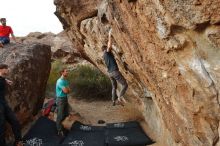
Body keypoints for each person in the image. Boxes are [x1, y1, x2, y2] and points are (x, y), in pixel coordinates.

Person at [102, 29, 128, 106]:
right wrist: (109, 35)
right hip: (114, 72)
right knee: (125, 85)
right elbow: (109, 46)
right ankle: (120, 97)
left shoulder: (104, 56)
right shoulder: (106, 53)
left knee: (114, 87)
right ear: (105, 49)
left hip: (110, 73)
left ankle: (113, 100)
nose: (111, 50)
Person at [0, 64, 23, 146]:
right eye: (6, 68)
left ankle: (18, 142)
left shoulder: (2, 78)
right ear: (1, 69)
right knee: (1, 126)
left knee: (15, 121)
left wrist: (6, 80)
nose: (8, 70)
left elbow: (2, 78)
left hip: (4, 103)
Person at [56, 68, 70, 136]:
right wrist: (67, 89)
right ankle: (59, 130)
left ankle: (60, 125)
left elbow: (69, 91)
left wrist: (67, 89)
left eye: (68, 71)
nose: (68, 72)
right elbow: (66, 91)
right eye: (66, 71)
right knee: (60, 115)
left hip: (65, 98)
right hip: (60, 99)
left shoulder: (66, 81)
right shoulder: (60, 81)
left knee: (66, 113)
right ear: (62, 72)